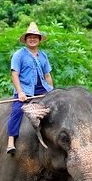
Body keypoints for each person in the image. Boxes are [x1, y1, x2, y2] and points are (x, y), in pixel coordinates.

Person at [6, 22, 54, 154]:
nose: (32, 39)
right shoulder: (19, 55)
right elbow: (14, 74)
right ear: (26, 40)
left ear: (39, 40)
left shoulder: (43, 56)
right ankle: (11, 140)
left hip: (43, 89)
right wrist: (20, 92)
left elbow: (47, 75)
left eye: (35, 37)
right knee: (16, 111)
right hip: (26, 91)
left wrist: (52, 90)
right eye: (30, 37)